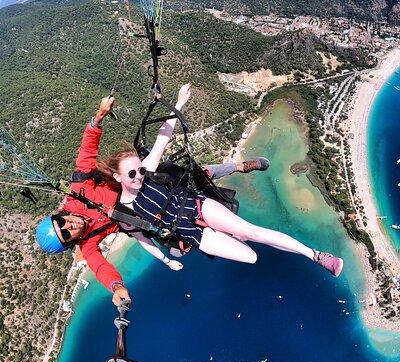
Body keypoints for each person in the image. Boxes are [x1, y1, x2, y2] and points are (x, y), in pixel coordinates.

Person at [35, 87, 270, 305]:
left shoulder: (78, 192)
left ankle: (238, 167)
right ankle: (231, 234)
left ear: (60, 215)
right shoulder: (88, 244)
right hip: (140, 212)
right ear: (71, 242)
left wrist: (99, 117)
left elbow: (86, 153)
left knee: (194, 174)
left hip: (137, 182)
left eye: (61, 223)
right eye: (66, 234)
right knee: (181, 239)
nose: (70, 225)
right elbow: (100, 268)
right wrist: (117, 287)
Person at [98, 83, 344, 279]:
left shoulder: (148, 170)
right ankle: (234, 232)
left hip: (196, 206)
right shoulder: (125, 212)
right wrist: (167, 260)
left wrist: (179, 102)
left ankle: (316, 256)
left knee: (253, 232)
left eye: (139, 170)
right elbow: (143, 239)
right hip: (191, 233)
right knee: (251, 257)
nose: (139, 176)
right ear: (118, 178)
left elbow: (164, 136)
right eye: (132, 174)